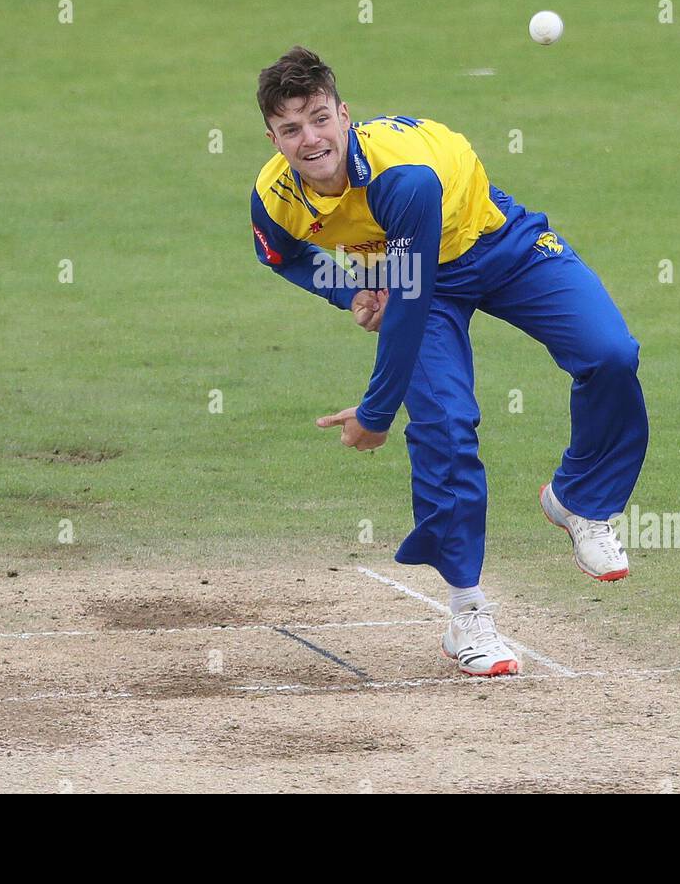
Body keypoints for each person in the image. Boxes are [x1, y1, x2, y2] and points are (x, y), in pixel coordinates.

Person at [249, 47, 648, 677]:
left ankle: (581, 501)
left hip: (498, 244)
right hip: (410, 274)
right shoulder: (274, 197)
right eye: (291, 129)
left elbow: (407, 301)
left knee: (610, 354)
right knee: (445, 427)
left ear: (344, 115)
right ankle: (467, 614)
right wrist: (349, 289)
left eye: (320, 118)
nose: (311, 139)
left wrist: (377, 412)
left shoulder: (401, 179)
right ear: (272, 137)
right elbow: (282, 255)